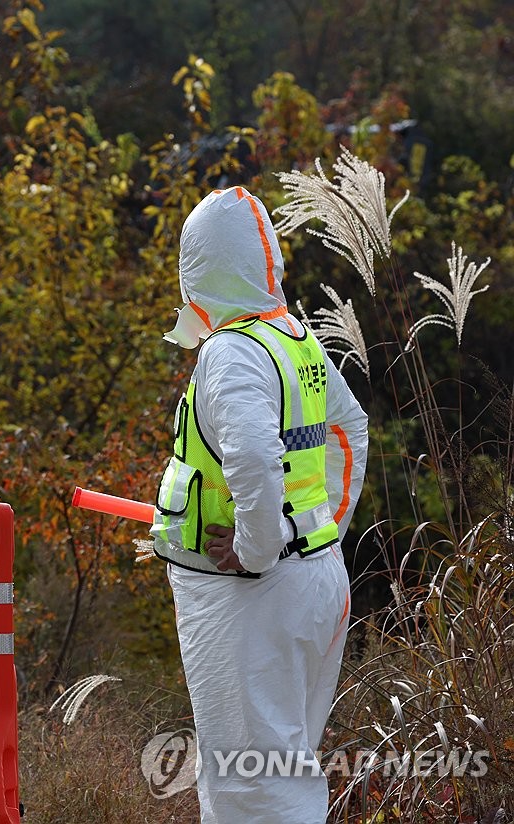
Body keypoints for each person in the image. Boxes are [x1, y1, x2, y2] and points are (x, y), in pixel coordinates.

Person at [149, 186, 368, 822]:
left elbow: (250, 459)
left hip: (252, 595)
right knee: (283, 769)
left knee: (254, 786)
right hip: (316, 581)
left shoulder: (229, 353)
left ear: (200, 269)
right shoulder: (295, 341)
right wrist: (317, 530)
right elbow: (347, 436)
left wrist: (256, 550)